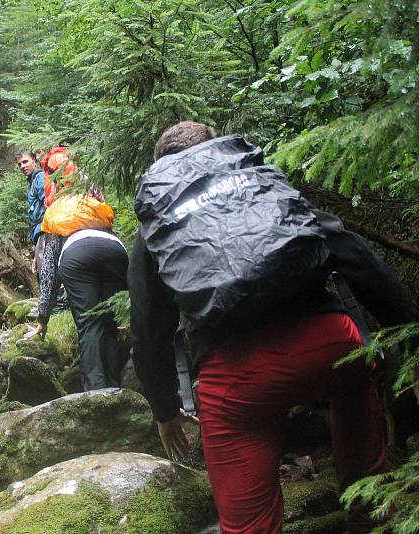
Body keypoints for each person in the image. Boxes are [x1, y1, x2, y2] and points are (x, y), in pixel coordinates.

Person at [128, 121, 419, 533]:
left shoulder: (158, 221)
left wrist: (164, 409)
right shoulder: (260, 183)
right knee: (354, 384)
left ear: (162, 169)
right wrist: (413, 347)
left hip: (239, 379)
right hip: (330, 346)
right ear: (218, 149)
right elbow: (356, 257)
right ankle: (369, 513)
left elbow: (147, 326)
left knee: (249, 525)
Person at [24, 185, 128, 390]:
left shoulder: (58, 220)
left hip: (76, 255)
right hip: (115, 249)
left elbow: (49, 275)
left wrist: (43, 319)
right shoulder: (95, 212)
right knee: (109, 324)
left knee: (89, 324)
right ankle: (116, 387)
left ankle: (97, 392)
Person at [16, 149, 47, 273]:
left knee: (46, 278)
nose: (22, 166)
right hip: (40, 234)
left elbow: (48, 204)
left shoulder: (40, 178)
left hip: (45, 232)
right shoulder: (32, 182)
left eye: (25, 161)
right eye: (19, 164)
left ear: (34, 161)